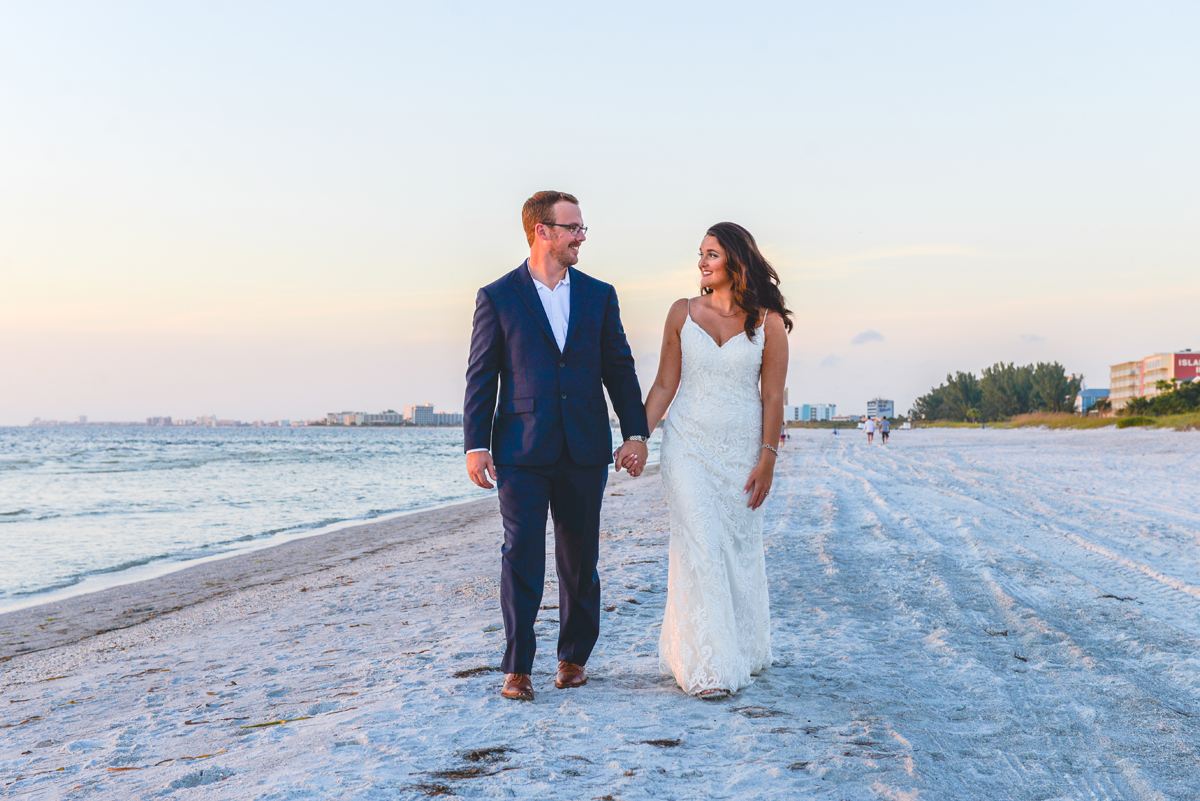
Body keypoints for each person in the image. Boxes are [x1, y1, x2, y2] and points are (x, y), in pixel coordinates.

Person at [464, 191, 650, 702]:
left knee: (578, 558)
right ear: (541, 231)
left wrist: (635, 432)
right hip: (521, 448)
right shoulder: (498, 296)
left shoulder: (599, 294)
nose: (581, 237)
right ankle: (518, 666)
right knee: (520, 554)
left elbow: (619, 367)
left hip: (585, 445)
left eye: (582, 228)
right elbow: (482, 376)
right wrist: (475, 444)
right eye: (573, 228)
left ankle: (572, 659)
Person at [635, 222, 792, 699]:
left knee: (736, 551)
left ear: (737, 261)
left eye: (712, 254)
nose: (702, 262)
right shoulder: (681, 313)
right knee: (701, 542)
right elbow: (665, 385)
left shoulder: (768, 323)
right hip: (686, 447)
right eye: (700, 254)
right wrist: (638, 437)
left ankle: (741, 647)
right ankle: (708, 666)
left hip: (741, 453)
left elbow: (772, 398)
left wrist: (767, 460)